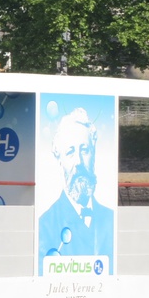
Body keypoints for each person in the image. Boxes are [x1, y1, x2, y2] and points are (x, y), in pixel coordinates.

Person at [38, 107, 114, 262]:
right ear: (59, 160)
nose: (79, 162)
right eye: (70, 152)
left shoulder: (111, 219)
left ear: (94, 154)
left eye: (84, 150)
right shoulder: (45, 226)